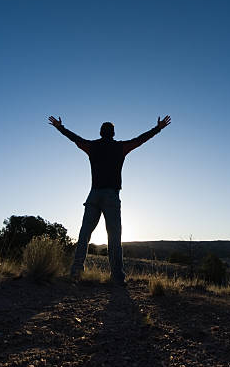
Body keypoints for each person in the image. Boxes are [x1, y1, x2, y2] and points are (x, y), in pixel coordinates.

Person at [48, 115, 171, 285]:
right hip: (111, 196)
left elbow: (74, 138)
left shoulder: (92, 147)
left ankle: (76, 272)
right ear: (113, 133)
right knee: (114, 237)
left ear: (100, 132)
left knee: (84, 234)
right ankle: (117, 277)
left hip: (94, 195)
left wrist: (59, 127)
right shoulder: (120, 148)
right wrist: (158, 128)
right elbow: (140, 140)